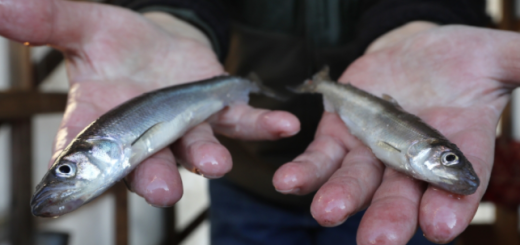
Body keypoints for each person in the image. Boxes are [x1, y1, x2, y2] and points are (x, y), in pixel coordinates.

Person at [1, 0, 518, 244]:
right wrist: (164, 15)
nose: (64, 178)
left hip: (379, 184)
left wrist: (425, 19)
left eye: (68, 170)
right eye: (69, 171)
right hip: (244, 174)